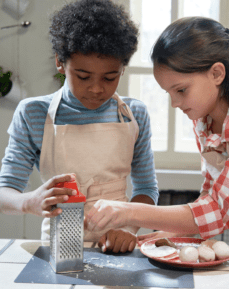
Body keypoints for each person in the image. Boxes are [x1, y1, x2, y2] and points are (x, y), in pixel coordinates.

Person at [84, 16, 229, 249]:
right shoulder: (205, 122)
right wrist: (167, 233)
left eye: (181, 90)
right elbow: (211, 197)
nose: (175, 103)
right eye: (169, 93)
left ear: (217, 74)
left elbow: (217, 210)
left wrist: (128, 212)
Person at [0, 0, 159, 253]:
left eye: (110, 77)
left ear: (122, 69)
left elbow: (147, 188)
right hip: (57, 248)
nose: (97, 89)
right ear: (60, 63)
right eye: (83, 76)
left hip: (117, 245)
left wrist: (127, 229)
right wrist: (30, 201)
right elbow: (4, 193)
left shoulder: (133, 114)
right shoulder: (34, 113)